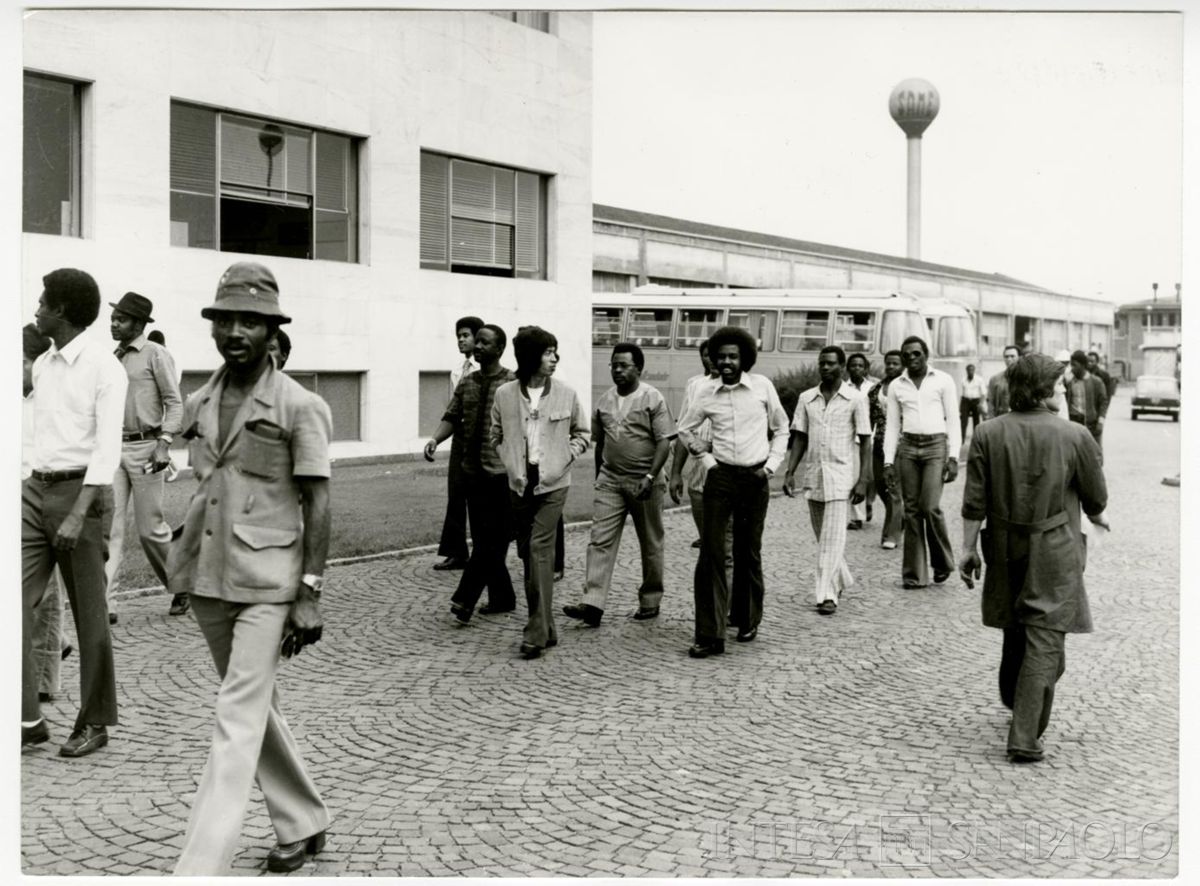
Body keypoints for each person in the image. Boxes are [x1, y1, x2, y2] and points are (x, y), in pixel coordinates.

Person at [172, 262, 331, 875]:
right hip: (209, 579)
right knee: (254, 707)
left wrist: (309, 593)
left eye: (250, 322)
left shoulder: (301, 405)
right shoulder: (199, 402)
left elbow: (317, 501)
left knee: (235, 718)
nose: (235, 332)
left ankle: (199, 867)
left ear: (272, 332)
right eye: (225, 320)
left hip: (270, 585)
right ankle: (303, 819)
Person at [959, 354, 1108, 763]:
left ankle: (1015, 694)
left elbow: (974, 503)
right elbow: (1097, 498)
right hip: (1054, 547)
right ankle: (1024, 736)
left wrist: (968, 549)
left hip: (1004, 545)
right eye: (1058, 384)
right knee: (1045, 639)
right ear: (1042, 391)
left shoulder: (987, 433)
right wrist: (1094, 512)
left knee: (1016, 625)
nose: (1064, 388)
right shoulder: (1076, 435)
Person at [22, 269, 126, 756]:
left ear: (61, 310)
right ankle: (26, 719)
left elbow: (106, 451)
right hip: (34, 491)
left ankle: (95, 721)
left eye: (43, 302)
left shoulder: (105, 368)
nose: (36, 310)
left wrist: (77, 513)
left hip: (81, 496)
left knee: (90, 616)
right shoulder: (43, 365)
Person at [674, 326, 788, 658]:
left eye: (733, 357)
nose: (726, 362)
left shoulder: (762, 387)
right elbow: (684, 429)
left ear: (744, 359)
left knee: (747, 551)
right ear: (713, 359)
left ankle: (746, 619)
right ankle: (710, 635)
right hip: (720, 478)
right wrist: (707, 461)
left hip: (755, 477)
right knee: (711, 554)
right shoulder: (705, 392)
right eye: (721, 356)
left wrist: (770, 467)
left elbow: (782, 427)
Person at [489, 326, 588, 659]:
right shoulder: (504, 394)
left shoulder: (566, 393)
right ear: (531, 357)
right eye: (548, 352)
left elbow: (582, 433)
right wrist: (507, 458)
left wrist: (565, 456)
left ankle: (534, 633)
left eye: (555, 352)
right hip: (520, 483)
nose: (555, 358)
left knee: (538, 549)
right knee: (528, 556)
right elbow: (495, 433)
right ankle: (548, 627)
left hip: (554, 484)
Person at [562, 342, 673, 627]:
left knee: (651, 541)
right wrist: (599, 477)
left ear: (639, 368)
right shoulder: (604, 401)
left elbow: (664, 442)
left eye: (624, 365)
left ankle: (650, 600)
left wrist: (650, 477)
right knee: (600, 540)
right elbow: (600, 443)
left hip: (645, 482)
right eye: (614, 365)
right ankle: (592, 604)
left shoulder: (653, 398)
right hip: (611, 481)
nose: (617, 370)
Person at [429, 324, 518, 622]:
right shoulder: (467, 382)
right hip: (473, 474)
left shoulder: (512, 383)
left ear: (500, 349)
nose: (477, 346)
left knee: (490, 542)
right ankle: (503, 598)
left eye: (484, 342)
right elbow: (452, 416)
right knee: (484, 540)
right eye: (476, 341)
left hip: (503, 475)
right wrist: (435, 440)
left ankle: (464, 599)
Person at [106, 292, 184, 618]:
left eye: (121, 319)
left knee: (150, 529)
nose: (113, 323)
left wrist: (163, 444)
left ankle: (181, 585)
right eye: (113, 318)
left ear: (138, 324)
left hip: (146, 449)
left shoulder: (156, 354)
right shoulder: (113, 357)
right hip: (113, 449)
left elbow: (174, 403)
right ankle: (105, 603)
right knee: (109, 529)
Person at [782, 346, 872, 616]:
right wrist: (790, 471)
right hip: (814, 476)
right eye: (822, 363)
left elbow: (866, 440)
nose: (825, 367)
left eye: (831, 363)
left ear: (842, 367)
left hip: (841, 477)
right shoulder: (807, 398)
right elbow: (799, 436)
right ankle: (842, 578)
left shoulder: (856, 398)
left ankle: (826, 594)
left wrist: (863, 479)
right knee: (824, 538)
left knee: (832, 540)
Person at [882, 335, 961, 589]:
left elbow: (954, 420)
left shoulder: (943, 380)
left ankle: (942, 563)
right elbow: (892, 426)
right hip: (908, 447)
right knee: (912, 510)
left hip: (935, 447)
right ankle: (914, 574)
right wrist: (888, 462)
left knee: (930, 506)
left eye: (916, 353)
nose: (911, 358)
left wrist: (954, 457)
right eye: (906, 355)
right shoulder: (897, 385)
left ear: (926, 354)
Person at [23, 323, 74, 703]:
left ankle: (43, 679)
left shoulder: (53, 399)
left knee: (47, 597)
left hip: (43, 497)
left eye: (22, 361)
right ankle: (60, 642)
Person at [433, 316, 483, 572]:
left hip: (481, 437)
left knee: (479, 498)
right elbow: (454, 409)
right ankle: (456, 552)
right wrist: (436, 438)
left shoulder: (484, 369)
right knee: (455, 493)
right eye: (458, 336)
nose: (461, 340)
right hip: (461, 436)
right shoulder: (457, 371)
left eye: (466, 335)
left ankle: (483, 552)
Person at [669, 340, 722, 549]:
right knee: (698, 497)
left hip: (727, 464)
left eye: (717, 354)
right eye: (707, 355)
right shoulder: (695, 385)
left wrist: (711, 445)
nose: (712, 360)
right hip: (700, 467)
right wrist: (675, 473)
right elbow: (684, 429)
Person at [866, 349, 905, 550]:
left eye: (895, 363)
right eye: (888, 363)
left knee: (894, 490)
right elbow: (869, 420)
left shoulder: (907, 389)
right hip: (879, 443)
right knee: (881, 487)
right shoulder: (875, 390)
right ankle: (900, 519)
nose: (891, 366)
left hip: (901, 444)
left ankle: (891, 534)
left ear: (903, 365)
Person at [844, 352, 877, 529]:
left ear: (866, 369)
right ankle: (856, 517)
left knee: (873, 476)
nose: (857, 368)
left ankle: (870, 501)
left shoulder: (873, 387)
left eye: (860, 366)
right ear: (848, 368)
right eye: (853, 365)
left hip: (875, 435)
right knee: (856, 476)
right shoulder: (843, 388)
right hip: (855, 438)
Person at [1063, 349, 1109, 450]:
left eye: (1075, 365)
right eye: (1071, 365)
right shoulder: (1069, 382)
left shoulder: (1096, 382)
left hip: (1090, 424)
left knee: (1093, 451)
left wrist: (1100, 422)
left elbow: (1103, 402)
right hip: (1073, 422)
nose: (1072, 368)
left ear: (1083, 365)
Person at [986, 345, 1022, 419]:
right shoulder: (995, 379)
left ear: (1019, 357)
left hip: (1020, 419)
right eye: (1006, 357)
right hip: (1001, 419)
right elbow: (990, 403)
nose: (1009, 359)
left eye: (1012, 356)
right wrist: (992, 421)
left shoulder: (1026, 378)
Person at [960, 363, 985, 437]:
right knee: (963, 421)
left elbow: (983, 393)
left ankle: (976, 439)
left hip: (975, 401)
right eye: (969, 370)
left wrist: (980, 404)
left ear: (974, 370)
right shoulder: (963, 380)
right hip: (965, 401)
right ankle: (962, 439)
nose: (970, 372)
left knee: (976, 422)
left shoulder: (979, 379)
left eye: (972, 370)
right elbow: (961, 393)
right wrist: (960, 406)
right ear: (966, 371)